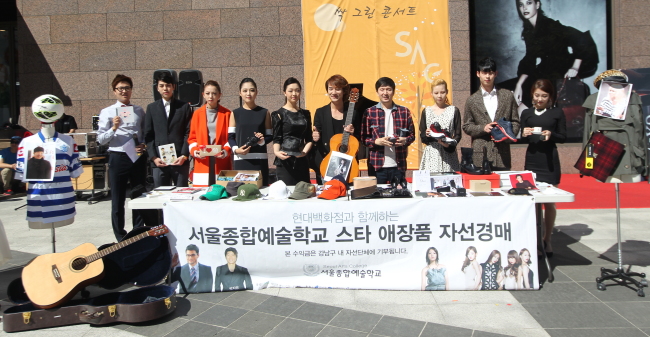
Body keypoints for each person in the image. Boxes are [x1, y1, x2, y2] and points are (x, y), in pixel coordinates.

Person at [508, 0, 597, 111]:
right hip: (545, 71)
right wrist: (519, 85)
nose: (524, 8)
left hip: (558, 72)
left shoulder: (550, 26)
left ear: (538, 4)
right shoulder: (529, 31)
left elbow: (580, 39)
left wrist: (575, 66)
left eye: (529, 3)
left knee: (526, 101)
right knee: (507, 89)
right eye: (521, 4)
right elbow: (529, 59)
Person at [97, 74, 148, 241]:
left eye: (127, 88)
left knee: (139, 195)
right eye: (120, 88)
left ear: (131, 90)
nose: (124, 91)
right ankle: (120, 235)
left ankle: (138, 231)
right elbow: (100, 139)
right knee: (117, 197)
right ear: (114, 91)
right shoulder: (107, 112)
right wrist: (113, 128)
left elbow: (144, 133)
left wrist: (143, 144)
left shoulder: (139, 110)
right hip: (118, 156)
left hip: (137, 156)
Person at [520, 79, 566, 256]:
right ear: (532, 95)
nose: (540, 99)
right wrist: (523, 133)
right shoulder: (526, 113)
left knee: (549, 202)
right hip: (532, 160)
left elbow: (563, 137)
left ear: (550, 97)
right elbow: (523, 138)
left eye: (544, 96)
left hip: (549, 161)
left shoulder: (557, 113)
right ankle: (535, 238)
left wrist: (551, 134)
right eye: (537, 95)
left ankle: (547, 239)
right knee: (532, 202)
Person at [463, 57, 520, 170]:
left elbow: (515, 122)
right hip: (480, 153)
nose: (487, 77)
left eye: (491, 73)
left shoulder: (507, 96)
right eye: (484, 73)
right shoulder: (472, 100)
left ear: (496, 74)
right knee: (481, 186)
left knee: (502, 185)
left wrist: (506, 135)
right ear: (478, 74)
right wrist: (483, 128)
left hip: (501, 154)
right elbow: (466, 126)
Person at [360, 77, 415, 184]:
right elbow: (363, 138)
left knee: (398, 197)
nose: (385, 93)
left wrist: (405, 140)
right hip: (376, 165)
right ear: (377, 92)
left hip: (398, 164)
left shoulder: (404, 111)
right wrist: (376, 141)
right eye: (382, 89)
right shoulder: (369, 112)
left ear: (393, 91)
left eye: (388, 89)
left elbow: (412, 135)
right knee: (377, 197)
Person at [144, 72, 193, 188]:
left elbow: (189, 132)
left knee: (181, 196)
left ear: (173, 87)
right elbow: (148, 135)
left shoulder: (184, 106)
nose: (165, 88)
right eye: (161, 86)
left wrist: (184, 155)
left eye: (168, 85)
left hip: (179, 160)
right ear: (157, 88)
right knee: (160, 197)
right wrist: (153, 157)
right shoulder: (151, 108)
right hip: (159, 161)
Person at [312, 74, 362, 184]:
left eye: (338, 89)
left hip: (348, 163)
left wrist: (354, 132)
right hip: (326, 162)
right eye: (330, 89)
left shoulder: (352, 113)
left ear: (344, 91)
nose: (333, 92)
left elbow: (360, 138)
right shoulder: (320, 112)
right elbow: (316, 135)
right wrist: (315, 137)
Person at [228, 78, 272, 186]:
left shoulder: (264, 112)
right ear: (240, 93)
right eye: (245, 90)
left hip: (259, 159)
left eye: (252, 90)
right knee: (241, 191)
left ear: (256, 92)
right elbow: (230, 137)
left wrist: (261, 141)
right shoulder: (235, 113)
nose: (248, 93)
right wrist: (236, 150)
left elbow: (270, 136)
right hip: (241, 159)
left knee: (260, 190)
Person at [188, 80, 232, 187]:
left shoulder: (227, 114)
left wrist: (226, 151)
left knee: (222, 192)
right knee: (202, 194)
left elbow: (231, 138)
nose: (210, 96)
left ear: (219, 95)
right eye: (207, 93)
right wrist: (195, 151)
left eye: (214, 93)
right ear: (203, 95)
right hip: (203, 160)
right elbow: (192, 138)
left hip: (221, 159)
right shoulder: (197, 114)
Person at [271, 77, 313, 185]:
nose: (294, 93)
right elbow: (277, 138)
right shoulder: (278, 114)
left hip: (301, 160)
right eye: (290, 91)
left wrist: (304, 152)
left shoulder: (306, 114)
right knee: (286, 193)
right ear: (284, 92)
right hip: (285, 159)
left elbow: (309, 138)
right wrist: (276, 152)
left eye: (297, 90)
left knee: (304, 192)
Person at [419, 78, 461, 172]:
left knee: (450, 183)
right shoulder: (426, 111)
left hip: (448, 153)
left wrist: (448, 144)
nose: (439, 96)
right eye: (436, 93)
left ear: (447, 92)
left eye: (442, 92)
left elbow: (458, 135)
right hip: (432, 153)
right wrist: (427, 134)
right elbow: (422, 135)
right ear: (432, 94)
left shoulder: (454, 110)